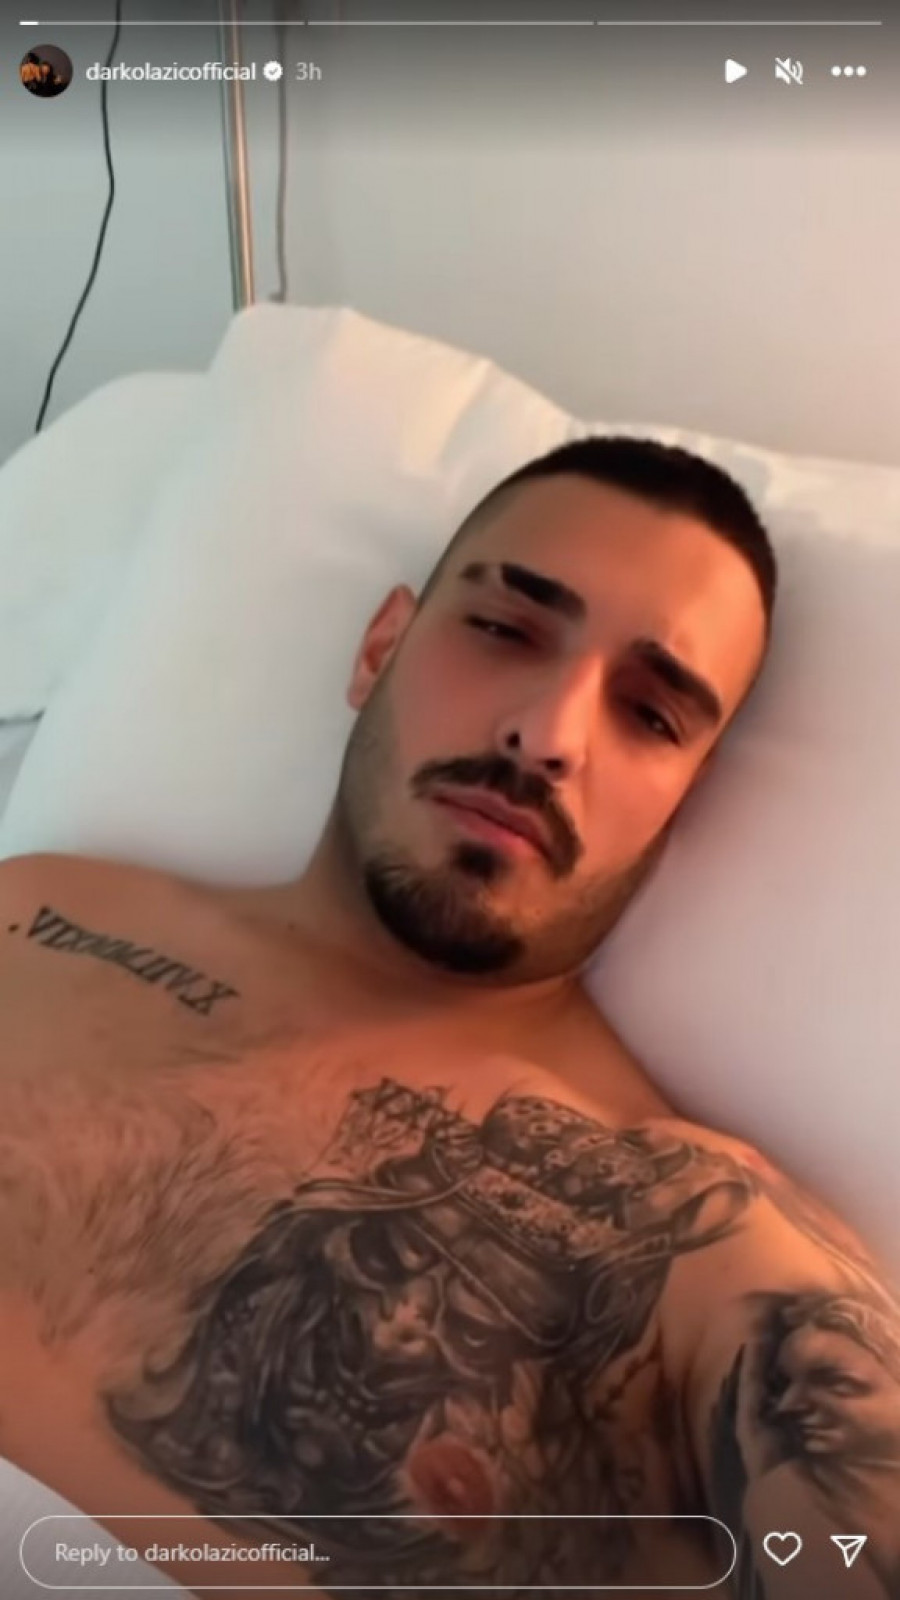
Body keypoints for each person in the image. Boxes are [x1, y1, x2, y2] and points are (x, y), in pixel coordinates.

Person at [1, 437, 897, 1600]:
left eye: (650, 713)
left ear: (685, 798)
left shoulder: (694, 1244)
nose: (549, 734)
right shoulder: (38, 914)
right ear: (381, 646)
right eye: (506, 630)